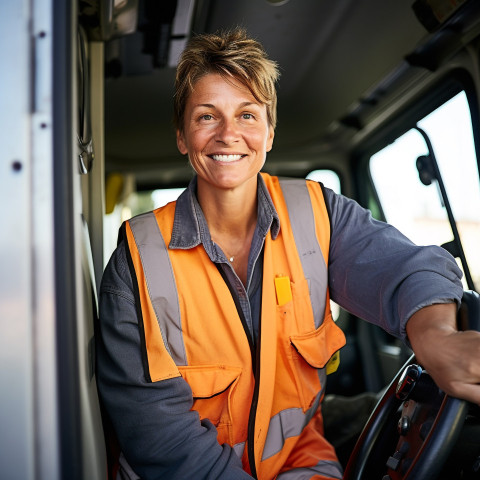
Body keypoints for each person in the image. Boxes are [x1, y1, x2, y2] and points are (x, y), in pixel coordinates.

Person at [97, 28, 480, 480]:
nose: (228, 134)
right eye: (206, 117)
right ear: (183, 136)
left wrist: (436, 336)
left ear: (269, 133)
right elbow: (157, 433)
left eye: (246, 115)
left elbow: (404, 267)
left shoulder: (318, 213)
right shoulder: (136, 259)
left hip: (300, 462)